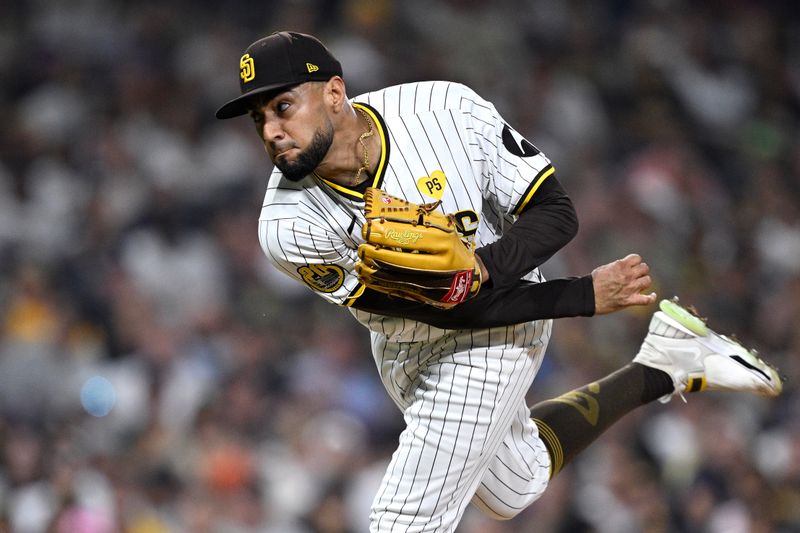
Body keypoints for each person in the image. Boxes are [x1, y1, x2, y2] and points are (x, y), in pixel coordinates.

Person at [215, 31, 782, 532]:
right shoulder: (287, 225)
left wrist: (504, 274)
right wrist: (579, 295)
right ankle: (664, 364)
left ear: (334, 93)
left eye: (282, 106)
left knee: (401, 520)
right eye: (258, 118)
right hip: (406, 341)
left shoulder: (441, 109)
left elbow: (555, 212)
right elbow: (442, 309)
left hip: (506, 317)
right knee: (515, 486)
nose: (271, 130)